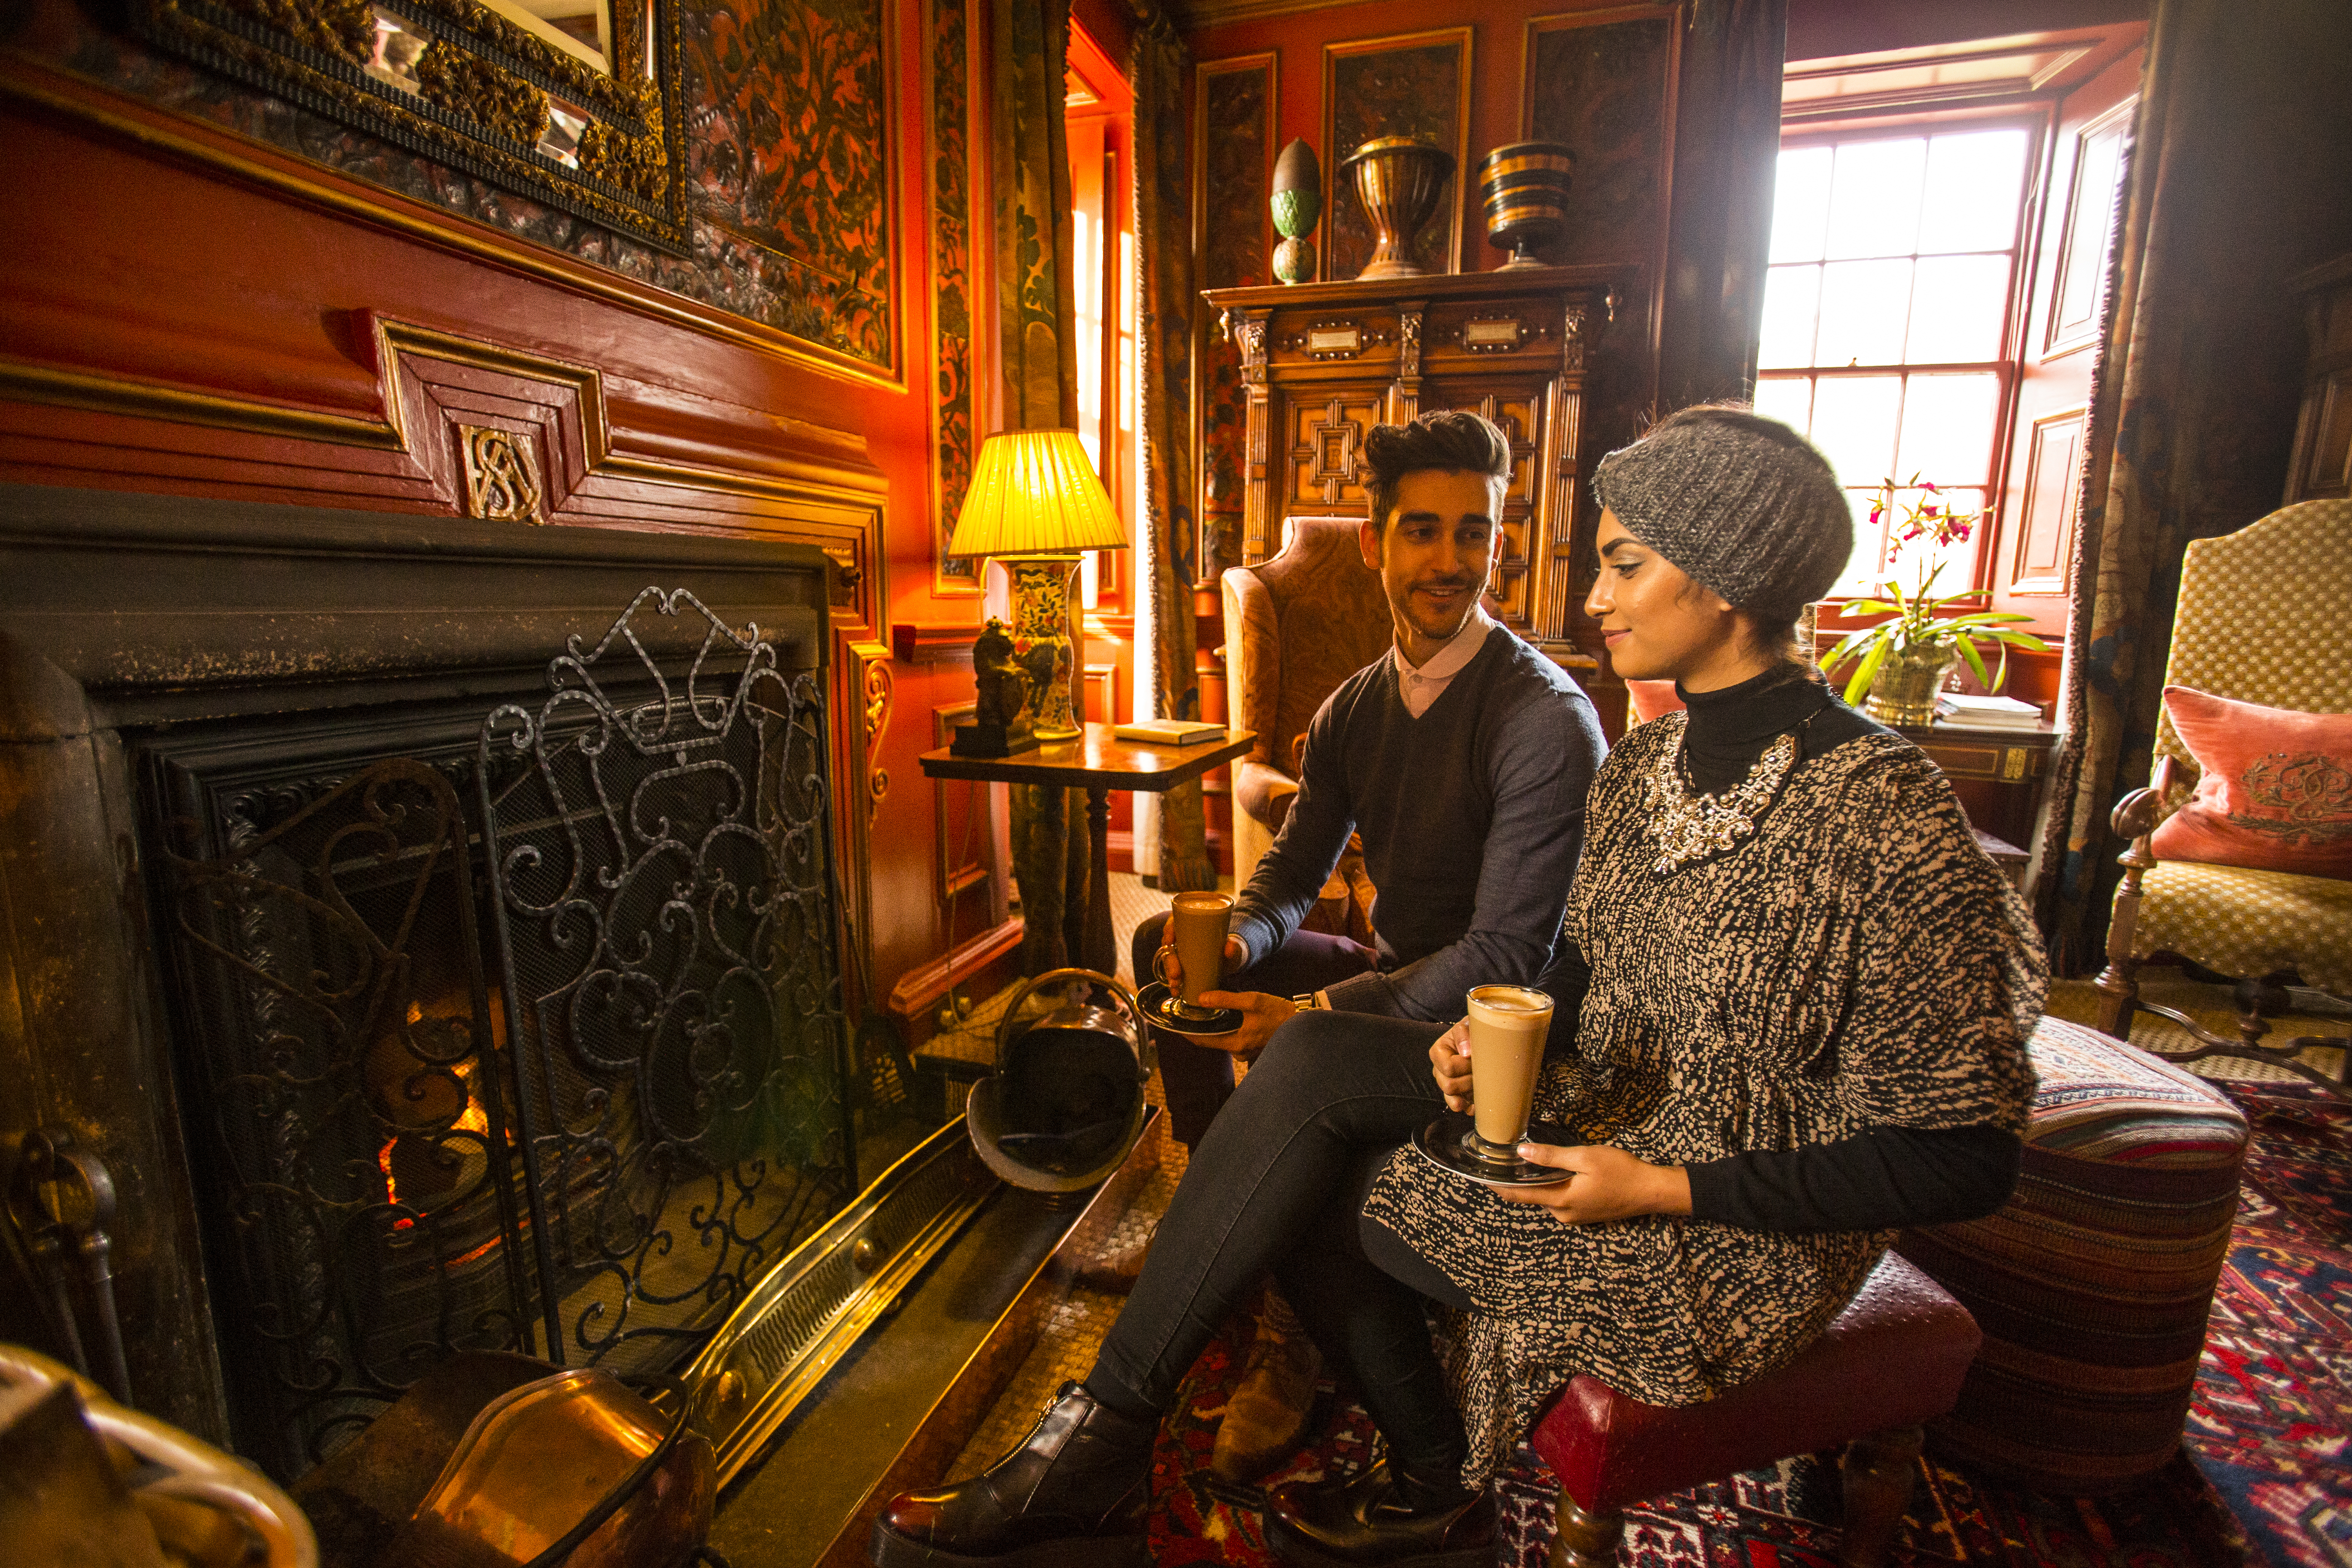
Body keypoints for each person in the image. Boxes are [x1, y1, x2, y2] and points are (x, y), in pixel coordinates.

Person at [868, 406, 2045, 1568]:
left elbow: (1968, 1152)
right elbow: (1568, 982)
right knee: (1300, 1147)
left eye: (1627, 566)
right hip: (1602, 1110)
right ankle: (1396, 1473)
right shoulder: (1647, 772)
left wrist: (1664, 1183)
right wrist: (1486, 1045)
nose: (1594, 600)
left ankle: (1121, 1449)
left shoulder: (1880, 805)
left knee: (1306, 1110)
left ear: (1724, 581)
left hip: (1725, 1230)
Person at [1131, 408, 1606, 1481]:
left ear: (1497, 540)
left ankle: (1293, 1327)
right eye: (1424, 532)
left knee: (1296, 1060)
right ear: (1376, 544)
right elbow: (1293, 877)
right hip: (1398, 979)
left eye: (1473, 533)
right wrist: (1245, 948)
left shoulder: (1543, 718)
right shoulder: (1350, 710)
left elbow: (1502, 957)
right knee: (1166, 935)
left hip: (1500, 1031)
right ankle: (1255, 1252)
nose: (1450, 561)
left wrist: (1305, 1018)